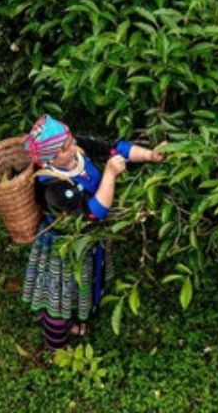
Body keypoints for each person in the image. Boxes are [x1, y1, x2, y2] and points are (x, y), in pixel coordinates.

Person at [21, 114, 164, 353]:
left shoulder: (76, 149)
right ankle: (56, 344)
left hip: (88, 240)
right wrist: (109, 175)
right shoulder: (53, 187)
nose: (72, 145)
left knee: (82, 284)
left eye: (69, 139)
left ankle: (76, 319)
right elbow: (93, 213)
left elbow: (113, 148)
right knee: (60, 292)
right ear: (50, 158)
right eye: (65, 147)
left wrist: (150, 155)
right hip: (65, 246)